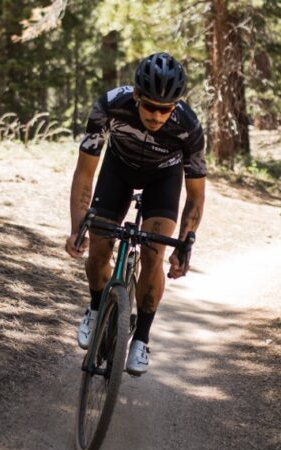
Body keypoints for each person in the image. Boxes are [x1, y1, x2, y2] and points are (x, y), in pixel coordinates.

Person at [64, 52, 206, 375]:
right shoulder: (110, 105)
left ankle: (141, 337)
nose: (157, 116)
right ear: (137, 96)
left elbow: (196, 195)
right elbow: (85, 173)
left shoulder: (188, 126)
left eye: (165, 109)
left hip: (164, 178)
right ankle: (96, 306)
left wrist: (184, 245)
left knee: (154, 255)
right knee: (99, 248)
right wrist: (77, 229)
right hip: (119, 169)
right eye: (150, 106)